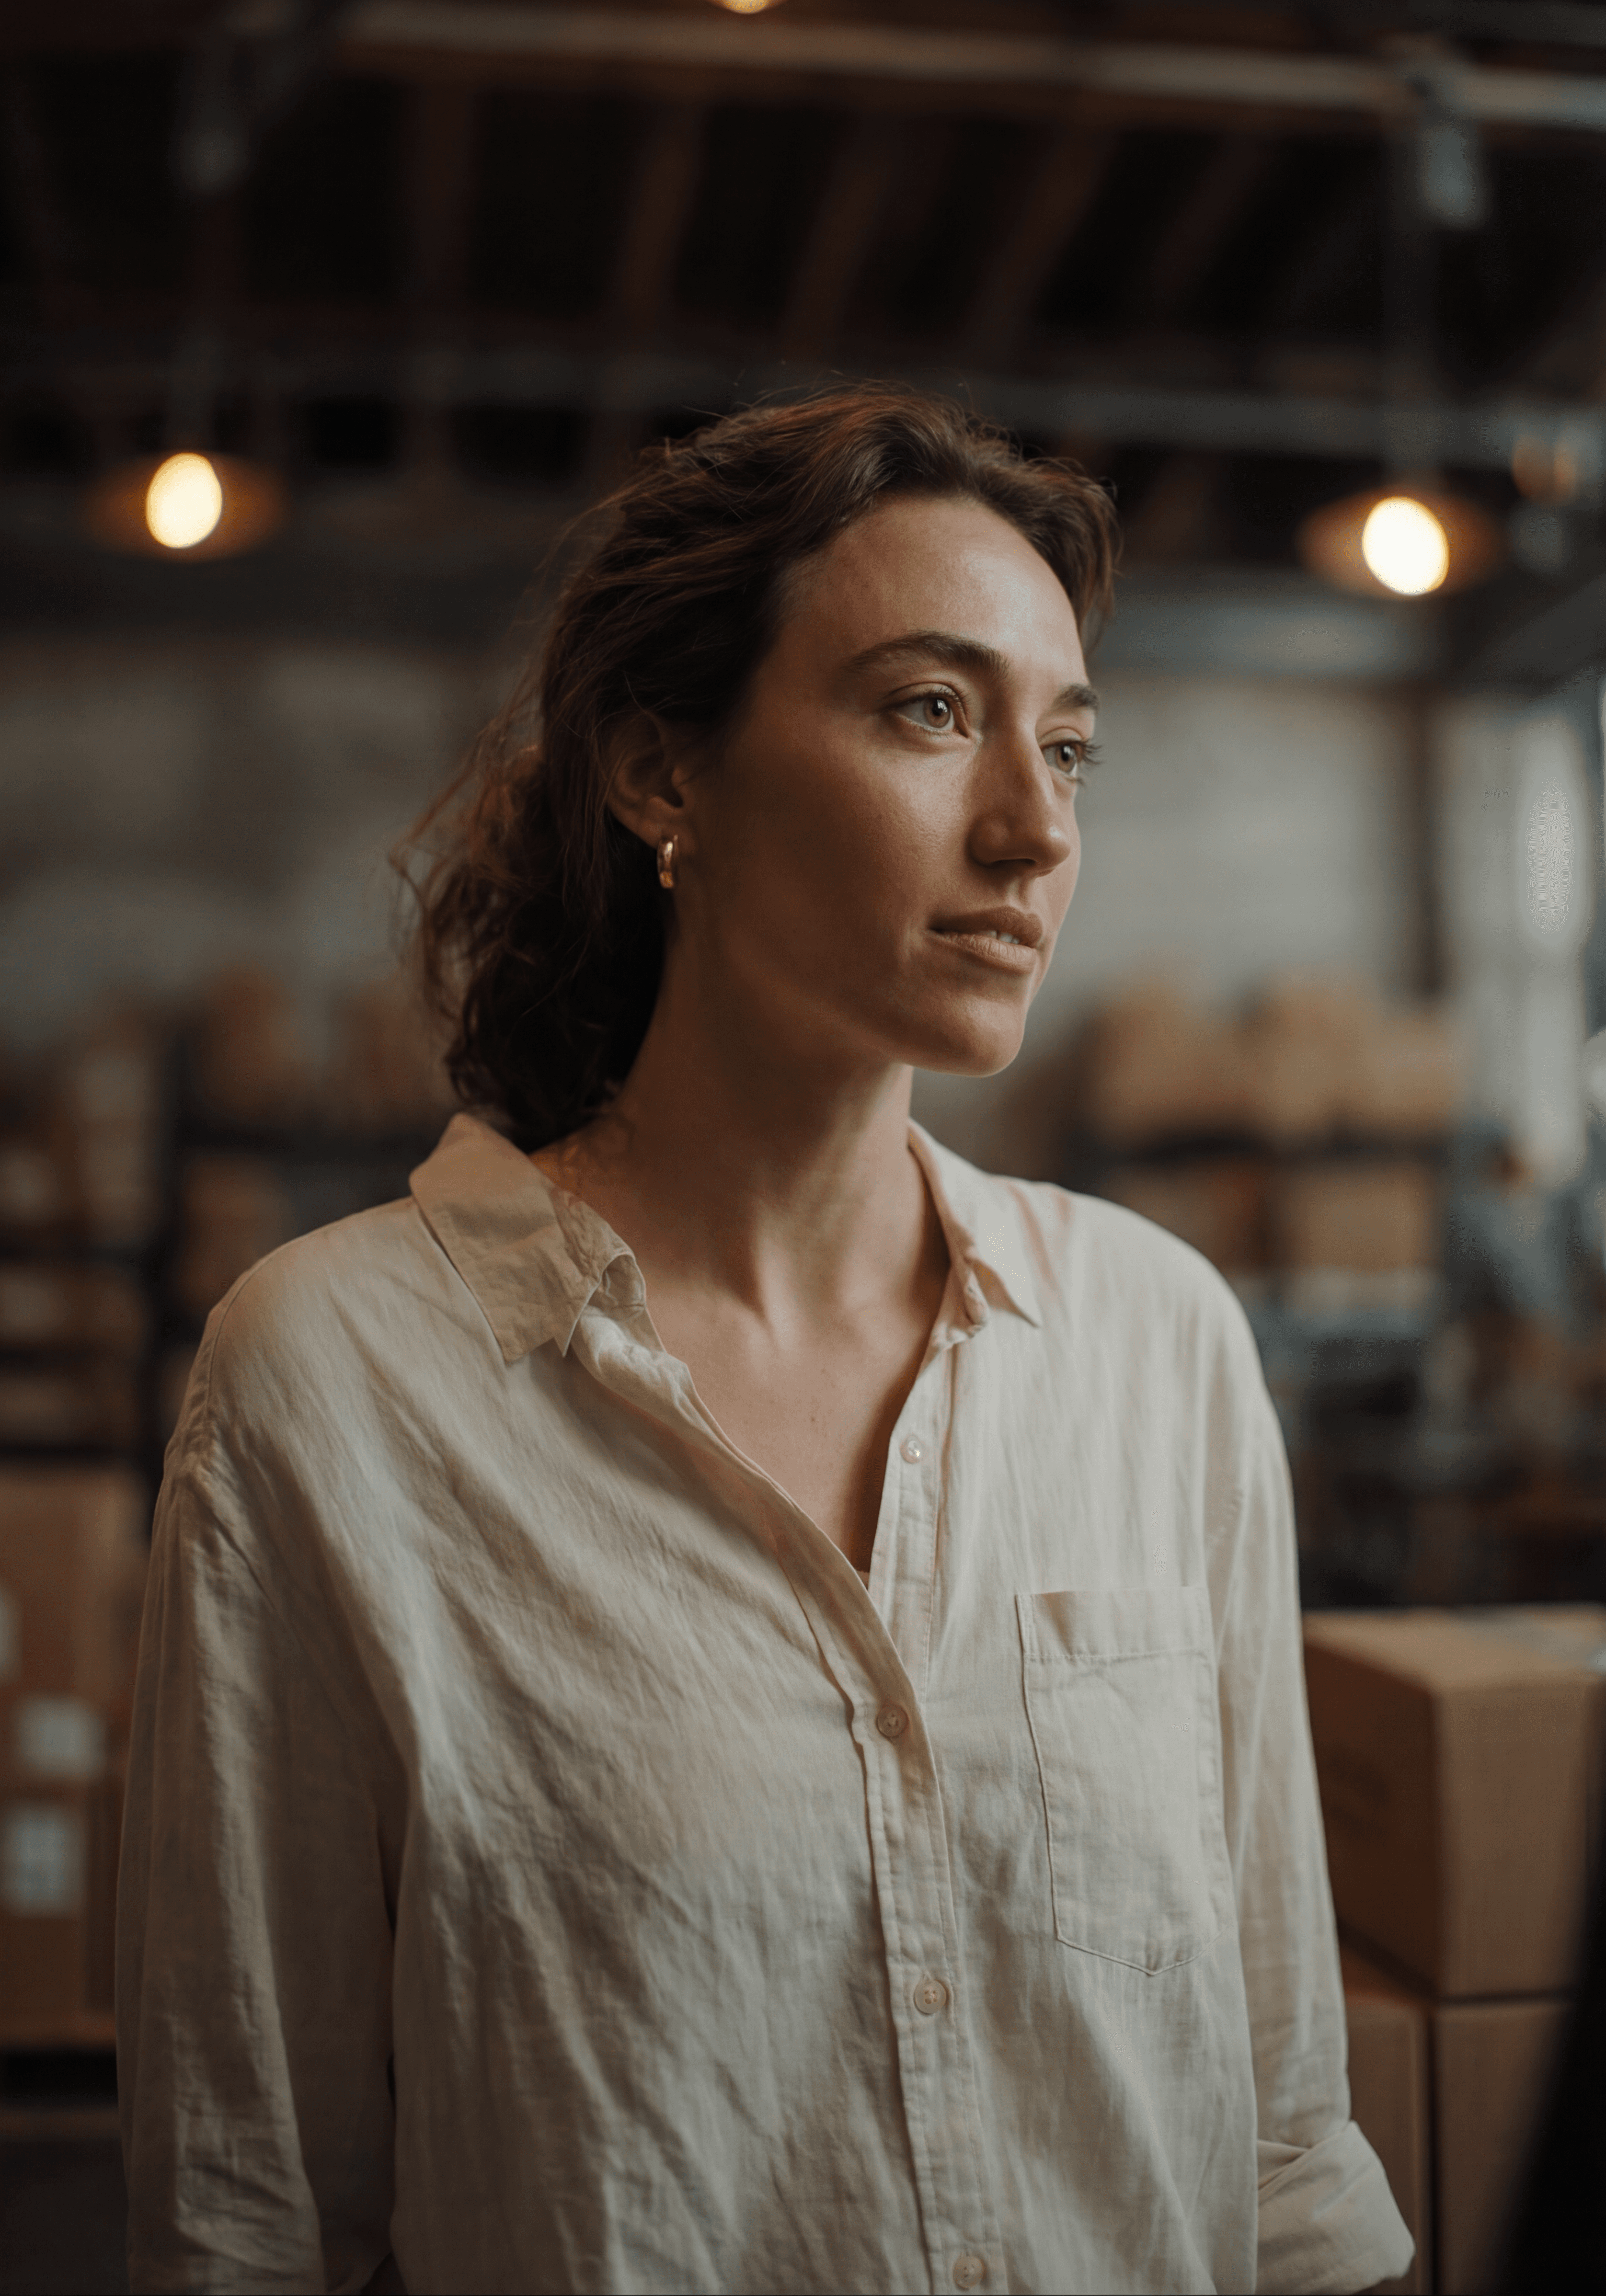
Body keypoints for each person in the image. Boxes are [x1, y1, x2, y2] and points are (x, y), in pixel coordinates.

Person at [118, 390, 1412, 2295]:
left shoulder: (1160, 1346)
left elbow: (1285, 2144)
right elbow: (250, 2217)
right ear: (665, 775)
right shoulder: (336, 1384)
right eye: (930, 711)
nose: (1035, 827)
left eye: (1068, 744)